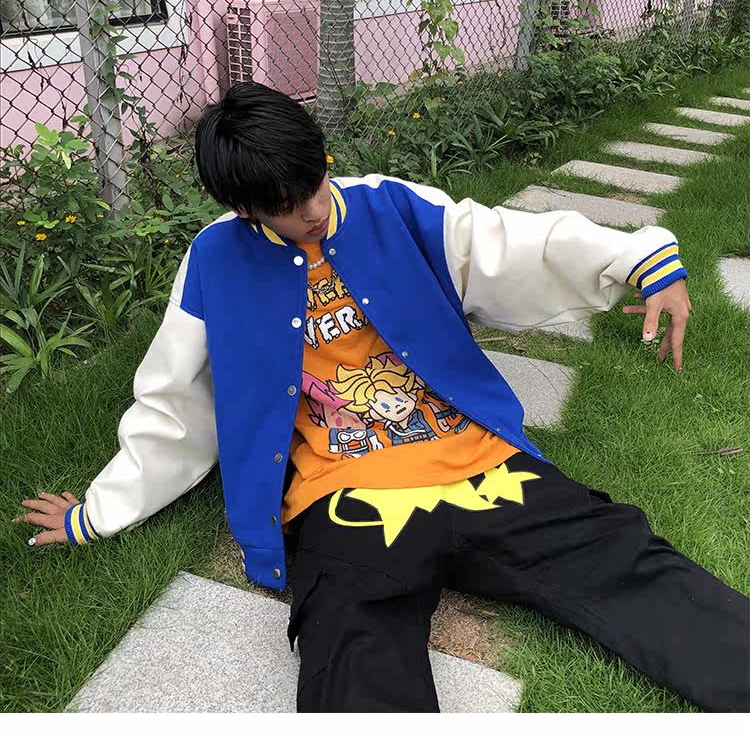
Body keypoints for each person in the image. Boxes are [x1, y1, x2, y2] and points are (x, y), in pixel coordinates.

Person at [13, 81, 748, 714]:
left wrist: (641, 258)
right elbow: (176, 399)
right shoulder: (214, 261)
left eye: (315, 182)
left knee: (620, 554)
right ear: (243, 208)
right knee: (350, 639)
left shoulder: (390, 206)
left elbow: (508, 242)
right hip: (346, 491)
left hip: (478, 461)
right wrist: (98, 510)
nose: (313, 208)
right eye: (286, 205)